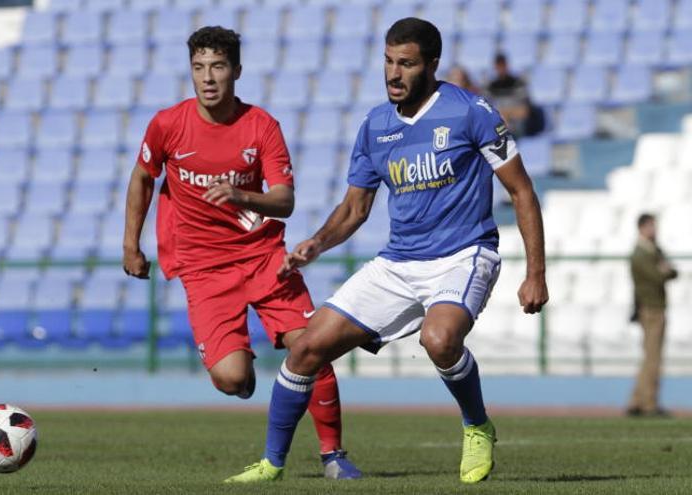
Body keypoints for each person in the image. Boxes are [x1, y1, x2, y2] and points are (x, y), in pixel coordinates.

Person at [225, 18, 548, 484]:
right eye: (389, 61)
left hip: (463, 254)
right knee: (307, 349)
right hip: (398, 262)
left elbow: (521, 191)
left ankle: (477, 425)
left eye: (407, 64)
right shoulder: (376, 125)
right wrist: (316, 242)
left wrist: (535, 273)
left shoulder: (471, 111)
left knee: (438, 340)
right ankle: (272, 464)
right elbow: (355, 208)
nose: (394, 73)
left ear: (432, 65)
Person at [121, 26, 361, 479]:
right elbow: (142, 177)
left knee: (313, 347)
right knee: (232, 380)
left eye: (217, 67)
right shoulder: (168, 124)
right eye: (198, 68)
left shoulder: (261, 126)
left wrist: (241, 196)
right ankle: (241, 369)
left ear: (236, 71)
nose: (207, 78)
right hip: (203, 268)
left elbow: (285, 198)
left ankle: (334, 455)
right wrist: (130, 244)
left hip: (264, 257)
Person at [627, 213, 677, 418]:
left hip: (654, 306)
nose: (654, 230)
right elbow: (659, 275)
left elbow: (671, 271)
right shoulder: (640, 254)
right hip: (651, 308)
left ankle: (637, 400)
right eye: (651, 226)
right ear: (642, 228)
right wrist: (665, 271)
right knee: (653, 357)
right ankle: (649, 403)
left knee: (649, 356)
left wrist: (666, 270)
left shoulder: (653, 250)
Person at [485, 53, 544, 138]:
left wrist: (505, 113)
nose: (501, 69)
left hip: (518, 125)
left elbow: (524, 111)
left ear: (507, 65)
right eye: (498, 66)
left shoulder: (518, 83)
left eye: (503, 65)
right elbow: (487, 111)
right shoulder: (490, 86)